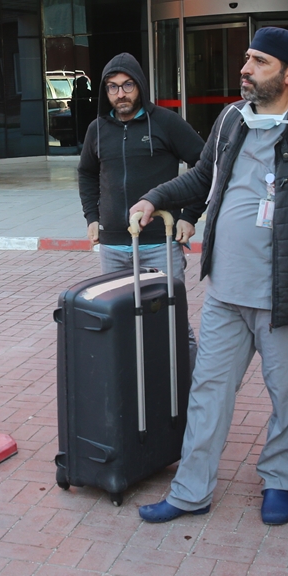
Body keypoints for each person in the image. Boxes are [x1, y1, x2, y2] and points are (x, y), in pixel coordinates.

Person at [130, 27, 288, 527]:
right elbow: (201, 176)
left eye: (259, 61)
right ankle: (191, 491)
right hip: (225, 296)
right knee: (208, 393)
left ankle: (278, 482)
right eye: (247, 58)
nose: (246, 68)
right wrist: (156, 197)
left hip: (285, 302)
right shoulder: (231, 119)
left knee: (287, 397)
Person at [77, 52, 205, 369]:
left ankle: (194, 391)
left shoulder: (165, 122)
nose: (121, 93)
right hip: (113, 245)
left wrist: (190, 216)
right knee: (119, 317)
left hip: (159, 243)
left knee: (172, 319)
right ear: (105, 92)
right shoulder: (97, 129)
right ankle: (137, 386)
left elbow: (204, 164)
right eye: (112, 87)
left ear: (140, 86)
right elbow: (86, 173)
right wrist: (92, 218)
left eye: (128, 85)